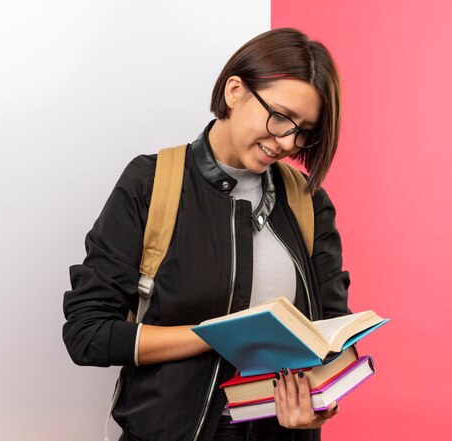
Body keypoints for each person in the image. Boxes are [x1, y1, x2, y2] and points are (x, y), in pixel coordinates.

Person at [62, 28, 350, 441]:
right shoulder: (151, 182)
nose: (288, 142)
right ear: (235, 90)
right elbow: (87, 333)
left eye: (304, 131)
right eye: (281, 117)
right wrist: (214, 337)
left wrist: (320, 402)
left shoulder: (308, 202)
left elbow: (331, 334)